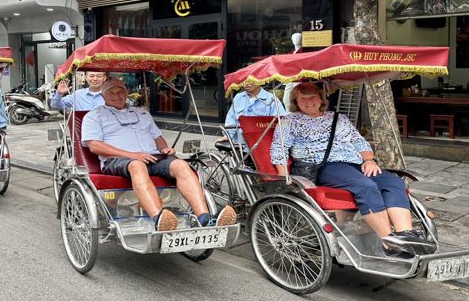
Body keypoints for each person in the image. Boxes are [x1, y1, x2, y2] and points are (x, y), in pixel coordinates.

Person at [271, 82, 436, 257]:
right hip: (327, 167)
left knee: (393, 182)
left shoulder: (338, 118)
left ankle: (405, 236)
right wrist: (285, 179)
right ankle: (390, 243)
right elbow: (278, 151)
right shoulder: (289, 121)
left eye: (312, 96)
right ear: (296, 101)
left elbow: (360, 143)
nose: (309, 101)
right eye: (303, 98)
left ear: (321, 98)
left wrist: (369, 160)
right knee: (366, 186)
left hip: (356, 164)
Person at [82, 79, 236, 232]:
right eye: (111, 92)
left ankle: (205, 218)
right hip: (117, 160)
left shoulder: (142, 113)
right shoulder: (94, 116)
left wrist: (164, 149)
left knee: (181, 165)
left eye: (120, 91)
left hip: (153, 156)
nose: (117, 95)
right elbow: (94, 146)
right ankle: (159, 218)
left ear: (127, 92)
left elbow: (157, 137)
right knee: (137, 165)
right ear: (103, 96)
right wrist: (132, 155)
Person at [221, 81, 285, 147]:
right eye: (244, 81)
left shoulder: (271, 99)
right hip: (240, 145)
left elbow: (281, 122)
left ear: (259, 80)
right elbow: (231, 118)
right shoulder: (238, 97)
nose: (247, 83)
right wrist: (227, 136)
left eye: (251, 80)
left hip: (262, 144)